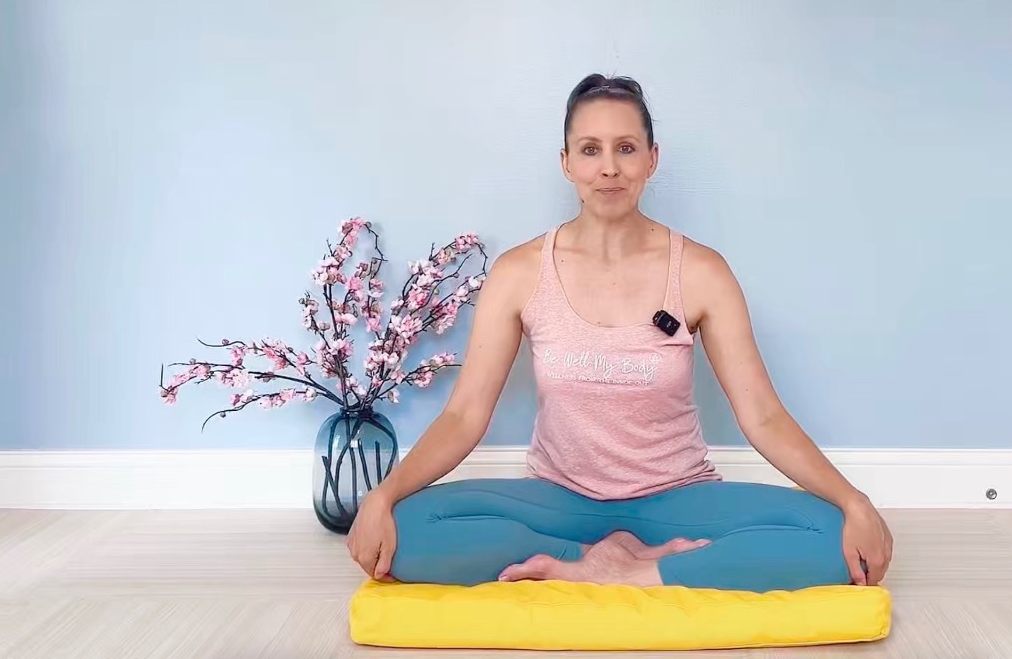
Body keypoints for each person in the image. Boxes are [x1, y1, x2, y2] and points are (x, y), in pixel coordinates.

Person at [345, 73, 894, 593]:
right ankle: (593, 561)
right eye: (590, 149)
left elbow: (763, 416)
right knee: (408, 526)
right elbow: (464, 416)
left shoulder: (702, 272)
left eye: (626, 148)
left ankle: (626, 572)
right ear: (566, 163)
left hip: (676, 499)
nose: (609, 167)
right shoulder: (519, 272)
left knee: (831, 536)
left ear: (652, 159)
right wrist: (384, 494)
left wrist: (853, 500)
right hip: (557, 501)